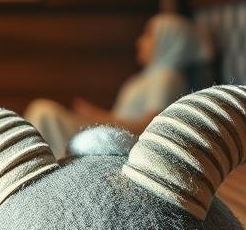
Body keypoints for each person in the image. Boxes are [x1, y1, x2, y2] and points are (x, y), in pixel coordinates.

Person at [25, 13, 210, 158]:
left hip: (122, 141)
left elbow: (149, 126)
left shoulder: (166, 77)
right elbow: (122, 116)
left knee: (44, 112)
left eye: (148, 35)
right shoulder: (153, 75)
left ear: (169, 40)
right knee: (42, 111)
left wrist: (97, 117)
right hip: (112, 132)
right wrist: (92, 115)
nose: (140, 42)